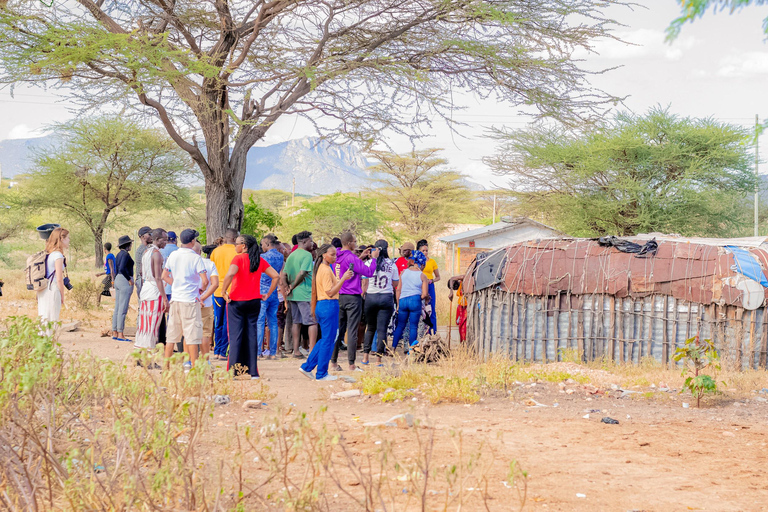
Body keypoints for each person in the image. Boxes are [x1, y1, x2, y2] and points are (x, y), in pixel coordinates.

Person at [221, 234, 279, 379]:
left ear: (244, 246)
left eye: (237, 243)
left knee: (236, 336)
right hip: (254, 301)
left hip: (236, 301)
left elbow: (230, 274)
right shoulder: (259, 260)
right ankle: (253, 372)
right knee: (251, 334)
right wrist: (267, 293)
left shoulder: (238, 259)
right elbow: (276, 276)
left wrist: (223, 291)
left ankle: (233, 371)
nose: (236, 246)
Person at [299, 244, 353, 381]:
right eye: (332, 254)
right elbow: (330, 292)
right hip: (328, 305)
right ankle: (321, 373)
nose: (335, 257)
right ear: (324, 255)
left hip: (324, 305)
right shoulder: (325, 270)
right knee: (328, 340)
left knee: (327, 339)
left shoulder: (324, 268)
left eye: (335, 254)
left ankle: (307, 366)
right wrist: (343, 279)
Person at [330, 231, 377, 371]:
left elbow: (349, 266)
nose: (356, 244)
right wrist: (373, 259)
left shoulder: (336, 255)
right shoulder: (351, 257)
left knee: (338, 330)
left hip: (338, 296)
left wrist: (360, 258)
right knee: (352, 331)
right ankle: (351, 364)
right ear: (349, 243)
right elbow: (368, 272)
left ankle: (333, 362)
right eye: (355, 242)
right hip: (352, 297)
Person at [162, 229, 209, 370]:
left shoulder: (173, 255)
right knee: (192, 336)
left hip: (176, 299)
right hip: (190, 301)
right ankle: (194, 369)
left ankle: (166, 369)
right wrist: (199, 290)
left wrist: (176, 284)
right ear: (193, 241)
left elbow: (164, 276)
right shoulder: (195, 258)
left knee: (171, 336)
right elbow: (205, 281)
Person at [362, 239, 399, 365]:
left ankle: (365, 357)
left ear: (374, 249)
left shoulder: (368, 263)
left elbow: (365, 282)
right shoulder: (392, 264)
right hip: (386, 297)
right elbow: (395, 283)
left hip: (371, 297)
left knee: (370, 328)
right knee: (382, 329)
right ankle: (378, 360)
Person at [281, 231, 317, 358]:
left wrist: (287, 287)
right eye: (311, 241)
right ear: (304, 242)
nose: (312, 243)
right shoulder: (307, 255)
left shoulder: (291, 255)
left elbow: (284, 274)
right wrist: (292, 286)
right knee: (312, 322)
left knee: (296, 322)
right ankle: (312, 352)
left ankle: (296, 351)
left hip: (293, 295)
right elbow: (302, 273)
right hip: (305, 293)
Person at [135, 229, 169, 353]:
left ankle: (140, 353)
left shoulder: (146, 252)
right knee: (153, 325)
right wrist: (165, 298)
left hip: (146, 289)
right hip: (155, 291)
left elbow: (141, 272)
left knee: (144, 324)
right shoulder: (157, 254)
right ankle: (148, 357)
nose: (166, 242)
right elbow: (158, 277)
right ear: (157, 239)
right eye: (164, 239)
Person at [392, 250, 430, 351]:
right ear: (422, 264)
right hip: (415, 300)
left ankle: (392, 348)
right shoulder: (422, 275)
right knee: (413, 326)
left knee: (400, 325)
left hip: (403, 300)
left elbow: (398, 289)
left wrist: (398, 304)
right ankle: (411, 350)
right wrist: (420, 298)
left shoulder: (403, 272)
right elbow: (425, 293)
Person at [210, 228, 238, 360]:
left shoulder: (216, 251)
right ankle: (223, 352)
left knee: (218, 322)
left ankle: (216, 350)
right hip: (232, 291)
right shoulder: (237, 252)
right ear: (233, 239)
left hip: (217, 291)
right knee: (228, 323)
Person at [258, 234, 284, 359]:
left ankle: (258, 351)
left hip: (262, 291)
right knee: (273, 322)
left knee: (260, 321)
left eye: (262, 244)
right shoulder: (280, 256)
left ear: (267, 244)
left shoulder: (262, 257)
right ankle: (273, 351)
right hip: (274, 292)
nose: (262, 246)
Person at [37, 227, 70, 330]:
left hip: (44, 289)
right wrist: (62, 296)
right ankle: (51, 343)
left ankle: (43, 343)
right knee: (52, 319)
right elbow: (59, 279)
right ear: (61, 239)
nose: (69, 240)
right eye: (67, 238)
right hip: (53, 289)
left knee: (44, 317)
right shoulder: (58, 256)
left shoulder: (49, 254)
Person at [195, 241, 219, 359]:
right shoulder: (209, 264)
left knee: (189, 333)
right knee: (204, 333)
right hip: (206, 303)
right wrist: (202, 297)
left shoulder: (183, 262)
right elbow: (215, 284)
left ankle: (189, 361)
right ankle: (205, 361)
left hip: (188, 302)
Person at [112, 235, 135, 342]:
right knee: (123, 308)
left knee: (117, 307)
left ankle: (115, 331)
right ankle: (121, 333)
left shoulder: (118, 254)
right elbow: (122, 268)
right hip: (124, 279)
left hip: (118, 279)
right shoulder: (126, 254)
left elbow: (117, 268)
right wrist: (129, 279)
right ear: (127, 245)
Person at [417, 239, 440, 334]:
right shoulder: (416, 261)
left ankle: (433, 332)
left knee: (431, 308)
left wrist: (432, 280)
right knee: (419, 309)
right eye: (423, 251)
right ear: (419, 251)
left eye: (426, 250)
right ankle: (421, 332)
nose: (425, 252)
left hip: (430, 286)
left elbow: (438, 277)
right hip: (419, 286)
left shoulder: (432, 261)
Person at [447, 274, 467, 343]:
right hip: (461, 307)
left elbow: (452, 278)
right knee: (461, 326)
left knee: (465, 326)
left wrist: (451, 292)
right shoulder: (462, 284)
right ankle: (463, 343)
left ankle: (465, 342)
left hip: (466, 307)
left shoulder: (464, 278)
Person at [134, 226, 152, 301]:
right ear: (143, 237)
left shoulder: (148, 248)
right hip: (142, 280)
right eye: (149, 234)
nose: (152, 236)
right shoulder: (143, 249)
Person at [160, 231, 179, 299]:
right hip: (177, 286)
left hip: (163, 285)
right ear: (175, 240)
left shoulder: (160, 251)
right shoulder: (179, 251)